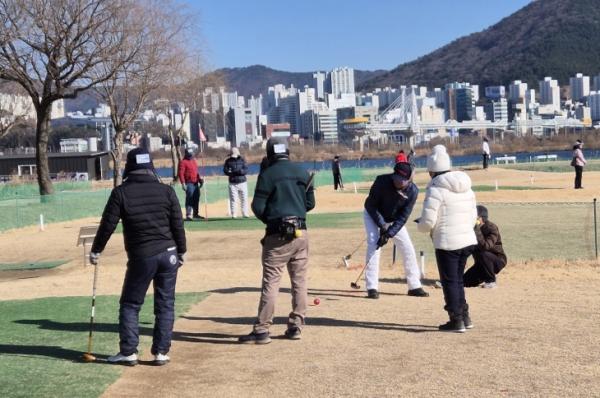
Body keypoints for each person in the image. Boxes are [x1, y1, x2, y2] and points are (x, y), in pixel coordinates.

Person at [90, 147, 186, 365]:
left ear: (129, 167)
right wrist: (182, 251)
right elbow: (177, 224)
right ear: (150, 167)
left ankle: (129, 351)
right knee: (165, 304)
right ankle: (161, 352)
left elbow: (107, 225)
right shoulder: (167, 191)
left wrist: (96, 250)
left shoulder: (120, 193)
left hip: (142, 256)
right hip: (169, 254)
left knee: (131, 304)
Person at [239, 137, 316, 344]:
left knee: (271, 283)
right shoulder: (303, 172)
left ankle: (262, 330)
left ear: (269, 153)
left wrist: (272, 218)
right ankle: (296, 326)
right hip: (301, 232)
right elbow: (310, 203)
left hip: (277, 234)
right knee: (299, 282)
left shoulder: (268, 174)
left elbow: (257, 206)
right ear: (288, 152)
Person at [417, 145, 477, 333]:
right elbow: (473, 215)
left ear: (431, 170)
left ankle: (456, 319)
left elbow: (427, 221)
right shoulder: (467, 187)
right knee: (458, 280)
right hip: (467, 240)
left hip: (447, 242)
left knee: (450, 282)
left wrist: (421, 226)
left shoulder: (435, 188)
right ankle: (465, 316)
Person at [363, 162, 428, 299]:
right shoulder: (381, 181)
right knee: (374, 244)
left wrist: (389, 232)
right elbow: (370, 205)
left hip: (394, 220)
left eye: (402, 180)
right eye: (396, 177)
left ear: (409, 179)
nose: (398, 182)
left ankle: (414, 286)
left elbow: (403, 216)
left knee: (407, 248)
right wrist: (382, 226)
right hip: (373, 215)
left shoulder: (413, 191)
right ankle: (372, 287)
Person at [464, 205, 507, 289]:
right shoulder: (471, 228)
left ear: (481, 218)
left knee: (483, 253)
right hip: (481, 264)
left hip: (497, 261)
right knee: (464, 282)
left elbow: (485, 247)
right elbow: (467, 247)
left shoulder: (492, 228)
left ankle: (491, 281)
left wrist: (477, 229)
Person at [223, 147, 249, 218]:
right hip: (232, 183)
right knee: (233, 199)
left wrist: (240, 172)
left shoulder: (242, 160)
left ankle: (245, 213)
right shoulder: (228, 161)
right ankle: (234, 213)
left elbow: (246, 170)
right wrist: (232, 173)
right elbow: (225, 171)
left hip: (242, 182)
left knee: (244, 198)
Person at [178, 148, 203, 220]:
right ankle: (188, 215)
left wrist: (200, 180)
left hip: (195, 183)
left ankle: (196, 214)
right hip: (188, 183)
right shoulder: (183, 162)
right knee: (190, 198)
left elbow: (196, 172)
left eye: (192, 154)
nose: (191, 156)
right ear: (186, 154)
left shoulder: (194, 161)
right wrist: (183, 183)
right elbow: (181, 174)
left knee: (196, 198)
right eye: (190, 154)